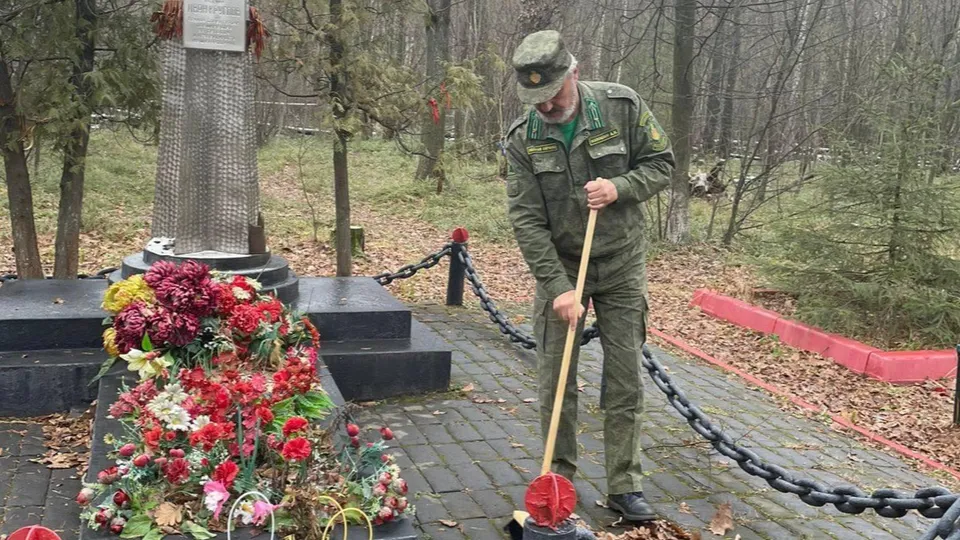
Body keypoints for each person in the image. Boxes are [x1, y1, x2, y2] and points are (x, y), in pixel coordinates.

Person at [503, 30, 675, 522]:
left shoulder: (621, 107)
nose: (545, 105)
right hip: (561, 268)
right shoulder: (523, 138)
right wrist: (557, 288)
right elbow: (527, 220)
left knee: (624, 380)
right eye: (534, 97)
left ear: (573, 74)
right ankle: (558, 482)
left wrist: (621, 186)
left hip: (620, 263)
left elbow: (662, 164)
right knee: (556, 380)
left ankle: (625, 485)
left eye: (553, 93)